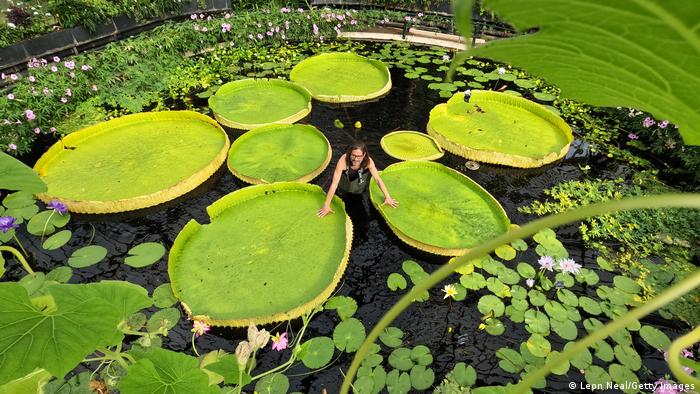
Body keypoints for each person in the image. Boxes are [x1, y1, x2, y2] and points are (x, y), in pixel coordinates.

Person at [317, 141, 398, 217]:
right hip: (343, 187)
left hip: (359, 189)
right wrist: (326, 205)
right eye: (353, 155)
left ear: (364, 155)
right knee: (342, 196)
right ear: (349, 153)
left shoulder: (368, 162)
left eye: (359, 156)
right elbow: (334, 184)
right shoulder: (343, 161)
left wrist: (387, 197)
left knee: (358, 205)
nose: (356, 159)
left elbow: (378, 179)